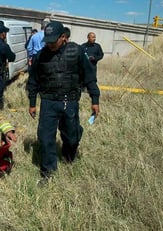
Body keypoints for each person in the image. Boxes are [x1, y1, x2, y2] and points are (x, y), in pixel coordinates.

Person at [27, 21, 100, 186]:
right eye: (48, 41)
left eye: (54, 40)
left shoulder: (77, 52)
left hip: (70, 101)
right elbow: (33, 81)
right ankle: (48, 171)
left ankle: (68, 156)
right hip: (48, 102)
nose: (50, 44)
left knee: (72, 137)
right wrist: (32, 103)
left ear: (63, 37)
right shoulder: (41, 55)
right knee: (45, 138)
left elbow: (89, 76)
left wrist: (95, 99)